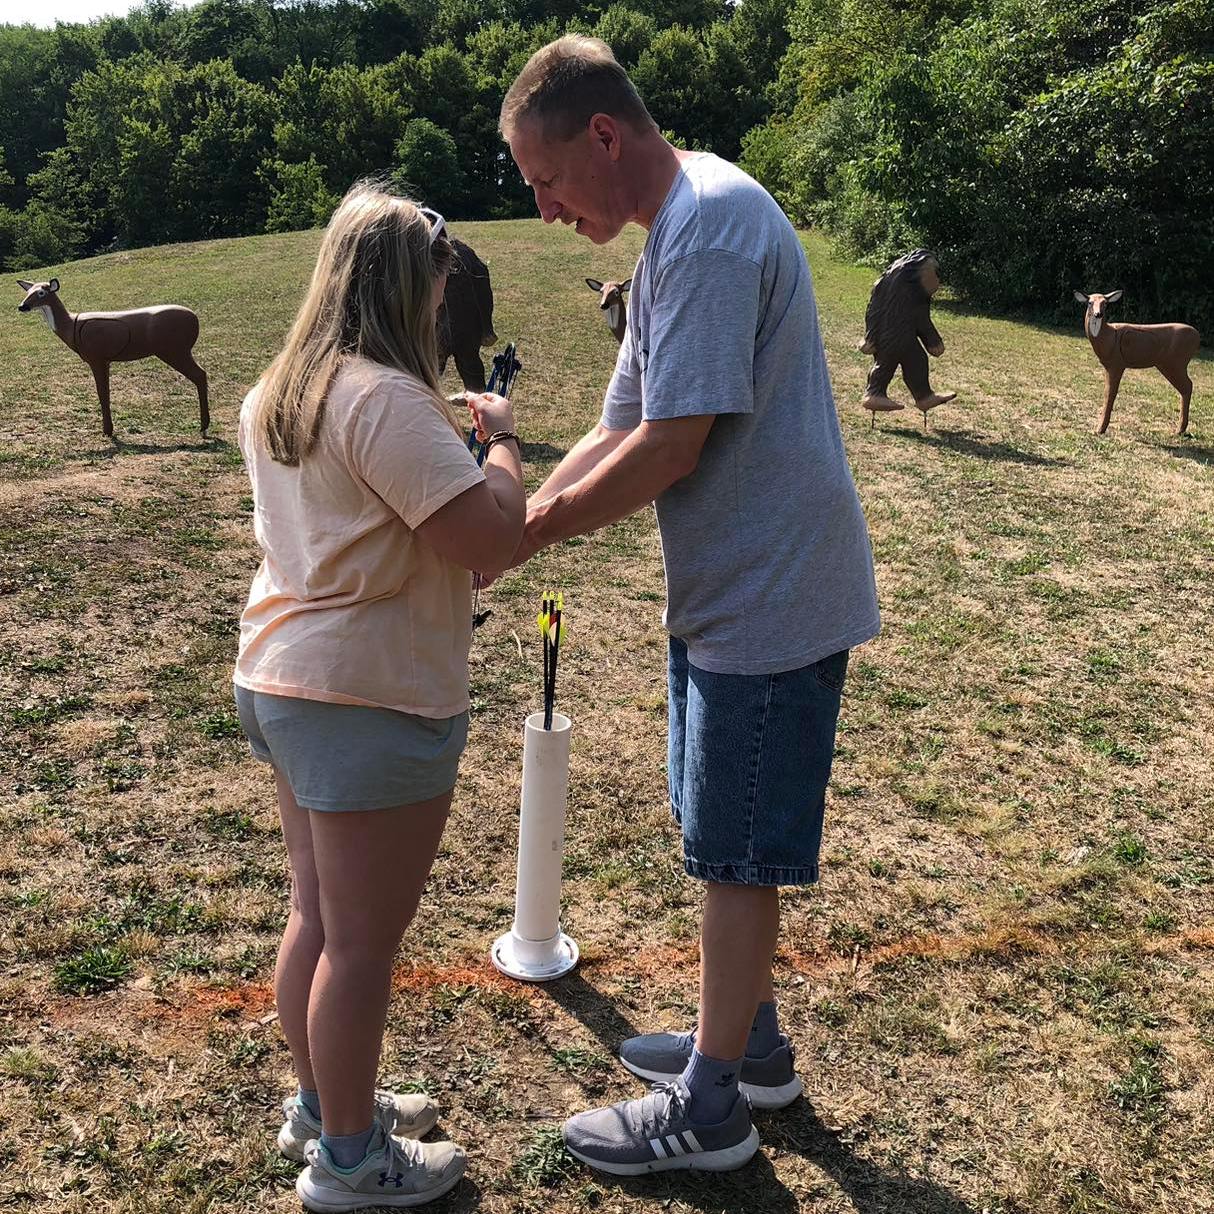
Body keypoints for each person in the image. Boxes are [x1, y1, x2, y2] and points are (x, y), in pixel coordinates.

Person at [497, 37, 881, 1175]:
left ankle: (712, 1106)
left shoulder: (707, 229)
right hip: (730, 592)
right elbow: (617, 425)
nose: (544, 208)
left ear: (603, 135)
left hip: (770, 597)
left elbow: (671, 447)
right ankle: (749, 1046)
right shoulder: (673, 230)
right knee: (714, 821)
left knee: (736, 854)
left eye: (545, 179)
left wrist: (527, 534)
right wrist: (518, 517)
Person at [232, 180, 525, 1209]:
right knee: (358, 945)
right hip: (368, 697)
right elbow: (491, 542)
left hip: (284, 678)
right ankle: (351, 1162)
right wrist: (501, 441)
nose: (447, 298)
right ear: (414, 283)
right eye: (442, 280)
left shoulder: (280, 390)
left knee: (316, 917)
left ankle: (324, 1107)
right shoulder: (387, 398)